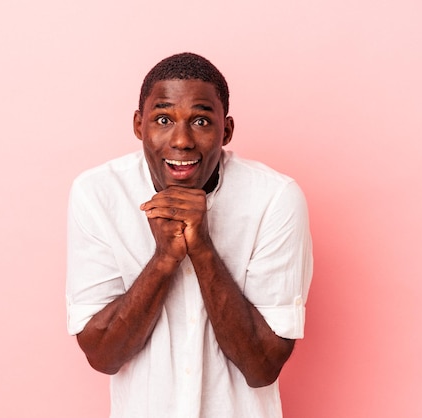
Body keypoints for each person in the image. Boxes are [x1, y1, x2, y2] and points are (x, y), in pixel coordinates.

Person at [66, 52, 313, 417]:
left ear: (226, 131)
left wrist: (201, 248)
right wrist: (164, 259)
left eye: (200, 120)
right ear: (138, 125)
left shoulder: (274, 198)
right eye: (163, 119)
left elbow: (262, 368)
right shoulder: (98, 194)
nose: (181, 140)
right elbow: (102, 355)